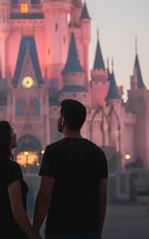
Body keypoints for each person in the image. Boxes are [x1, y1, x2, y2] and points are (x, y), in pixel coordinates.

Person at [33, 99, 108, 239]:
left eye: (59, 116)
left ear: (63, 120)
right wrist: (97, 231)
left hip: (59, 230)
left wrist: (35, 229)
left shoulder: (53, 152)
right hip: (89, 230)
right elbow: (102, 197)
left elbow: (45, 194)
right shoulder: (98, 153)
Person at [0, 121, 41, 239]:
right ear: (4, 138)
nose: (15, 134)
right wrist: (33, 235)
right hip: (9, 230)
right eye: (12, 132)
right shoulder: (10, 168)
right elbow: (17, 209)